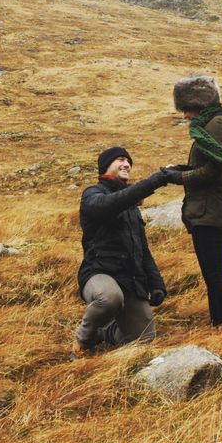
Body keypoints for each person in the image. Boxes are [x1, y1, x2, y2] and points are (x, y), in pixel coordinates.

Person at [72, 146, 170, 358]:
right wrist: (152, 182)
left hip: (130, 280)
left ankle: (104, 333)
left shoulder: (132, 207)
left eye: (129, 162)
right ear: (106, 166)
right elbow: (109, 205)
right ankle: (82, 341)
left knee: (143, 340)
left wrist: (156, 283)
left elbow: (143, 249)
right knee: (109, 298)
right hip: (99, 273)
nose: (127, 164)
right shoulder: (92, 194)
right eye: (121, 160)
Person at [164, 76, 222, 328]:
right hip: (207, 209)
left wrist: (178, 177)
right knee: (211, 273)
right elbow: (205, 165)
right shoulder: (211, 123)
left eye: (186, 108)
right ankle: (219, 324)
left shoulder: (216, 125)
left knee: (215, 274)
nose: (185, 115)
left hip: (211, 210)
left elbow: (213, 171)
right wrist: (179, 168)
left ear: (197, 103)